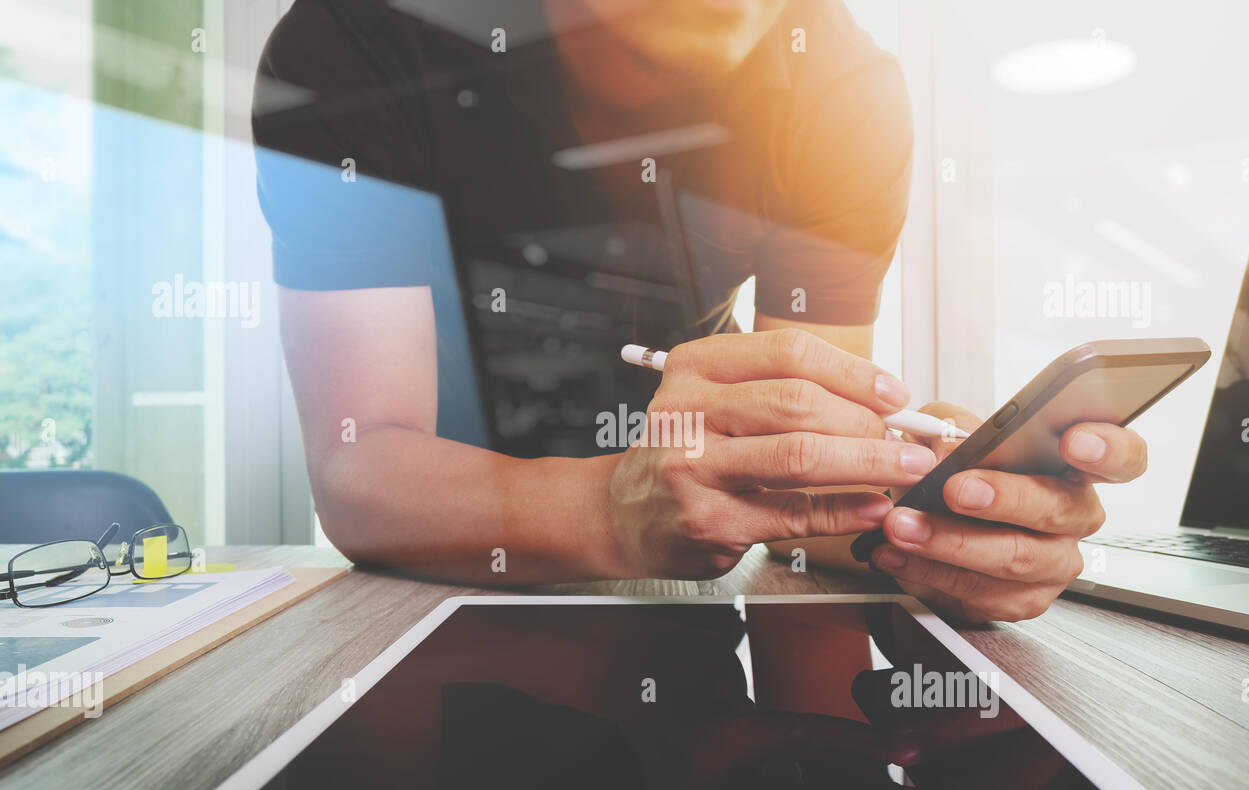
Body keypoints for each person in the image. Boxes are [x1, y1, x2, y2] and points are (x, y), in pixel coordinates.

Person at [251, 0, 1148, 623]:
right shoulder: (353, 47)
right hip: (426, 584)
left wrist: (927, 523)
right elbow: (362, 469)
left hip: (685, 604)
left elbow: (805, 490)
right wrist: (613, 510)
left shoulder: (839, 86)